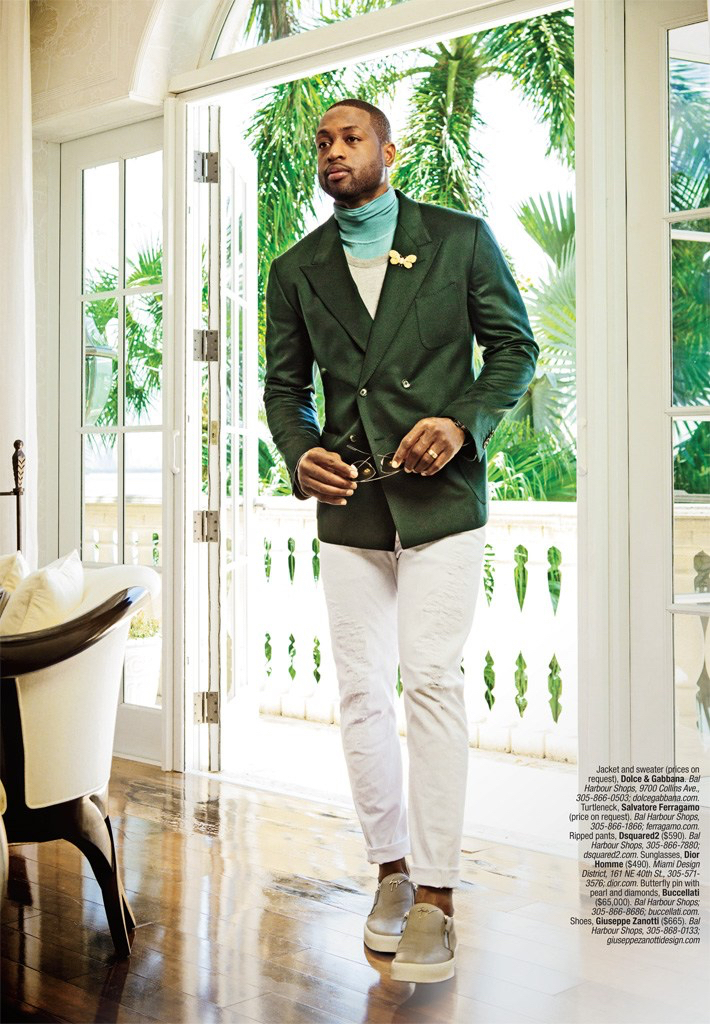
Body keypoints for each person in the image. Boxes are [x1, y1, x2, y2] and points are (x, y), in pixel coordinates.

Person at [264, 97, 538, 984]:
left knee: (429, 680)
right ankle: (390, 872)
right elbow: (283, 390)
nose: (333, 152)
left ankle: (439, 895)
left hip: (440, 503)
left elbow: (514, 350)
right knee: (359, 692)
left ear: (390, 150)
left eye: (351, 138)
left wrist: (462, 423)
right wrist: (298, 451)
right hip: (351, 508)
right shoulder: (296, 268)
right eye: (323, 142)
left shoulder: (459, 240)